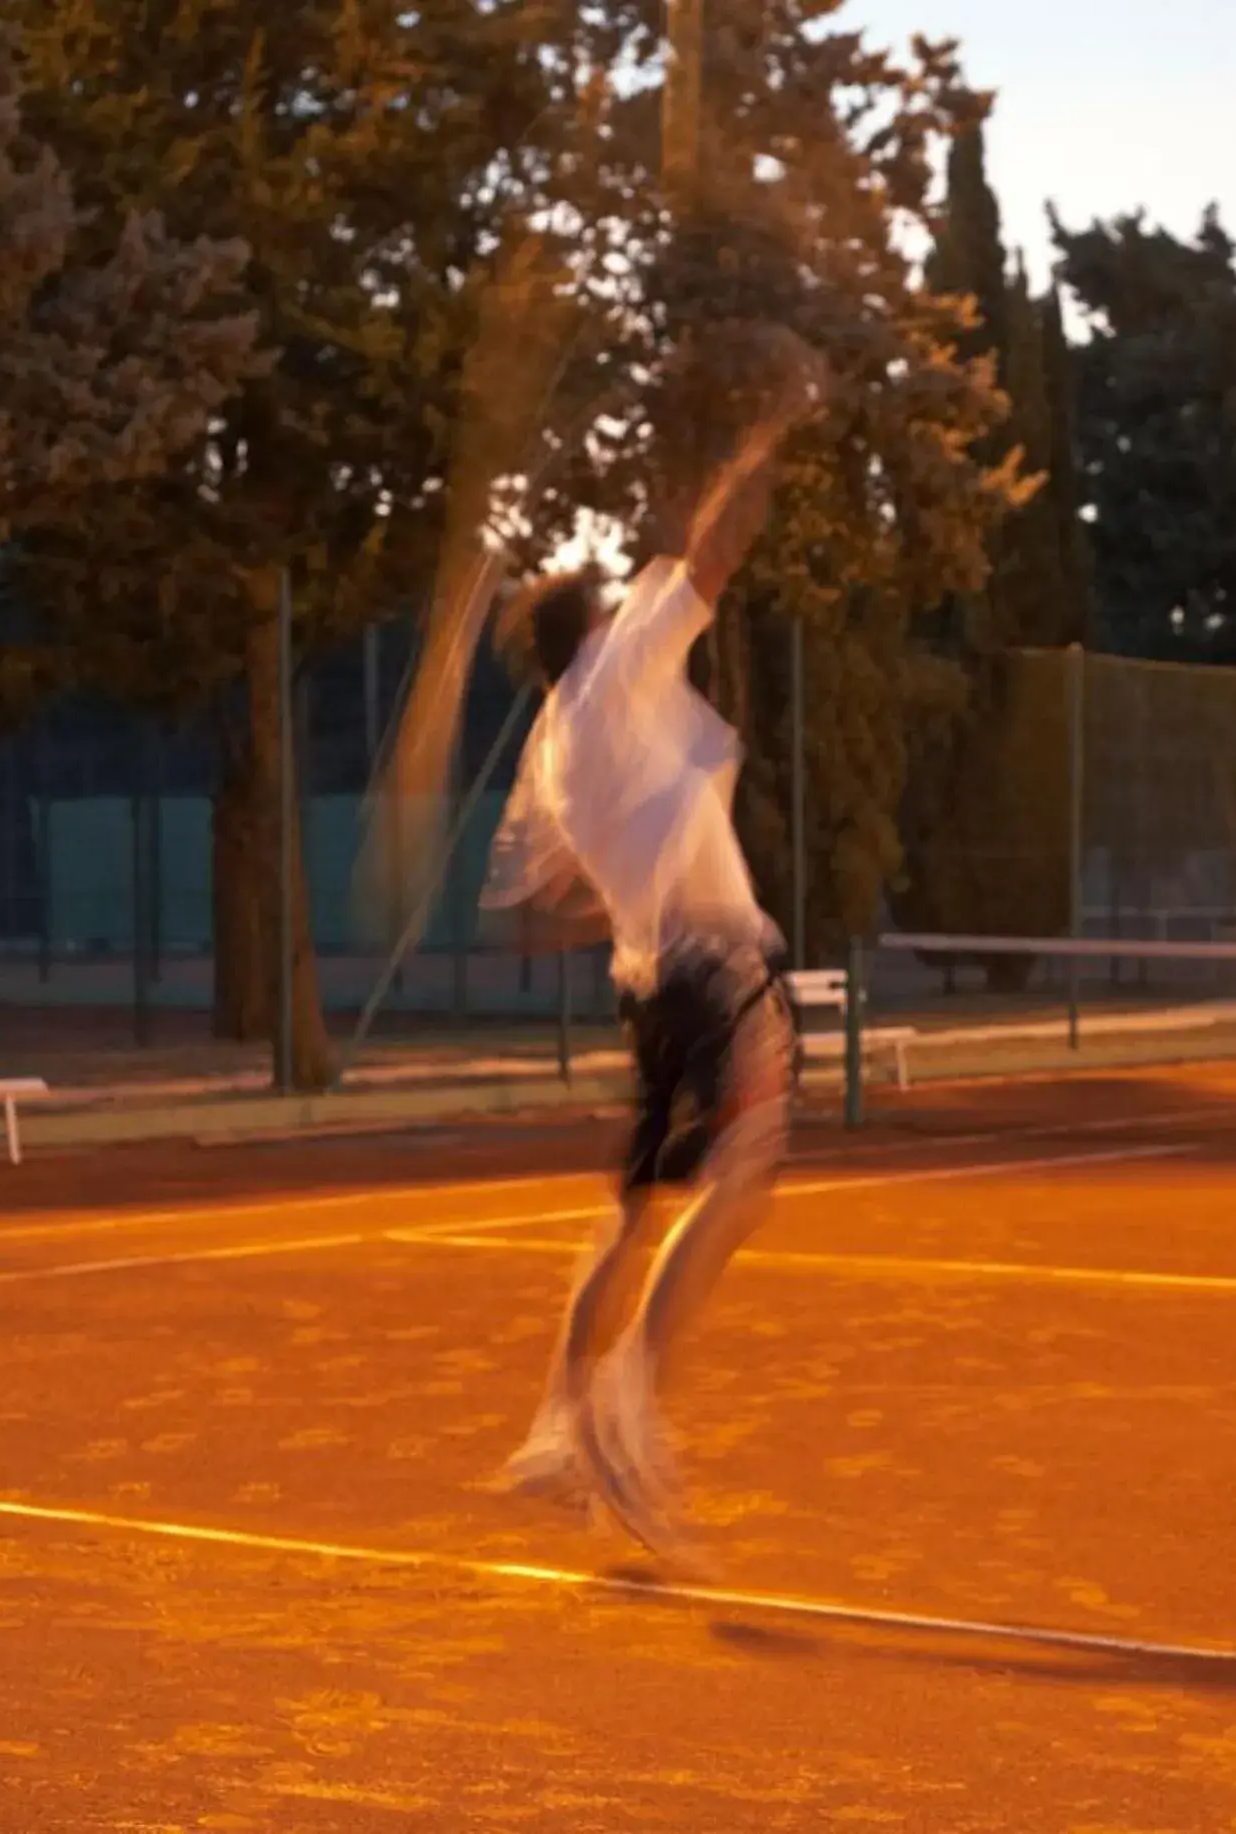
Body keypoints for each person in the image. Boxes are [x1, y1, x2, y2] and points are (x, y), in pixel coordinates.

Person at [480, 334, 822, 1564]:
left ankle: (557, 1425)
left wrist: (642, 882)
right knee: (739, 1182)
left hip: (648, 980)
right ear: (595, 625)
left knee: (628, 1215)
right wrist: (773, 431)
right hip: (717, 973)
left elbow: (540, 913)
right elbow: (715, 546)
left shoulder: (554, 745)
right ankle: (628, 1401)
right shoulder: (621, 665)